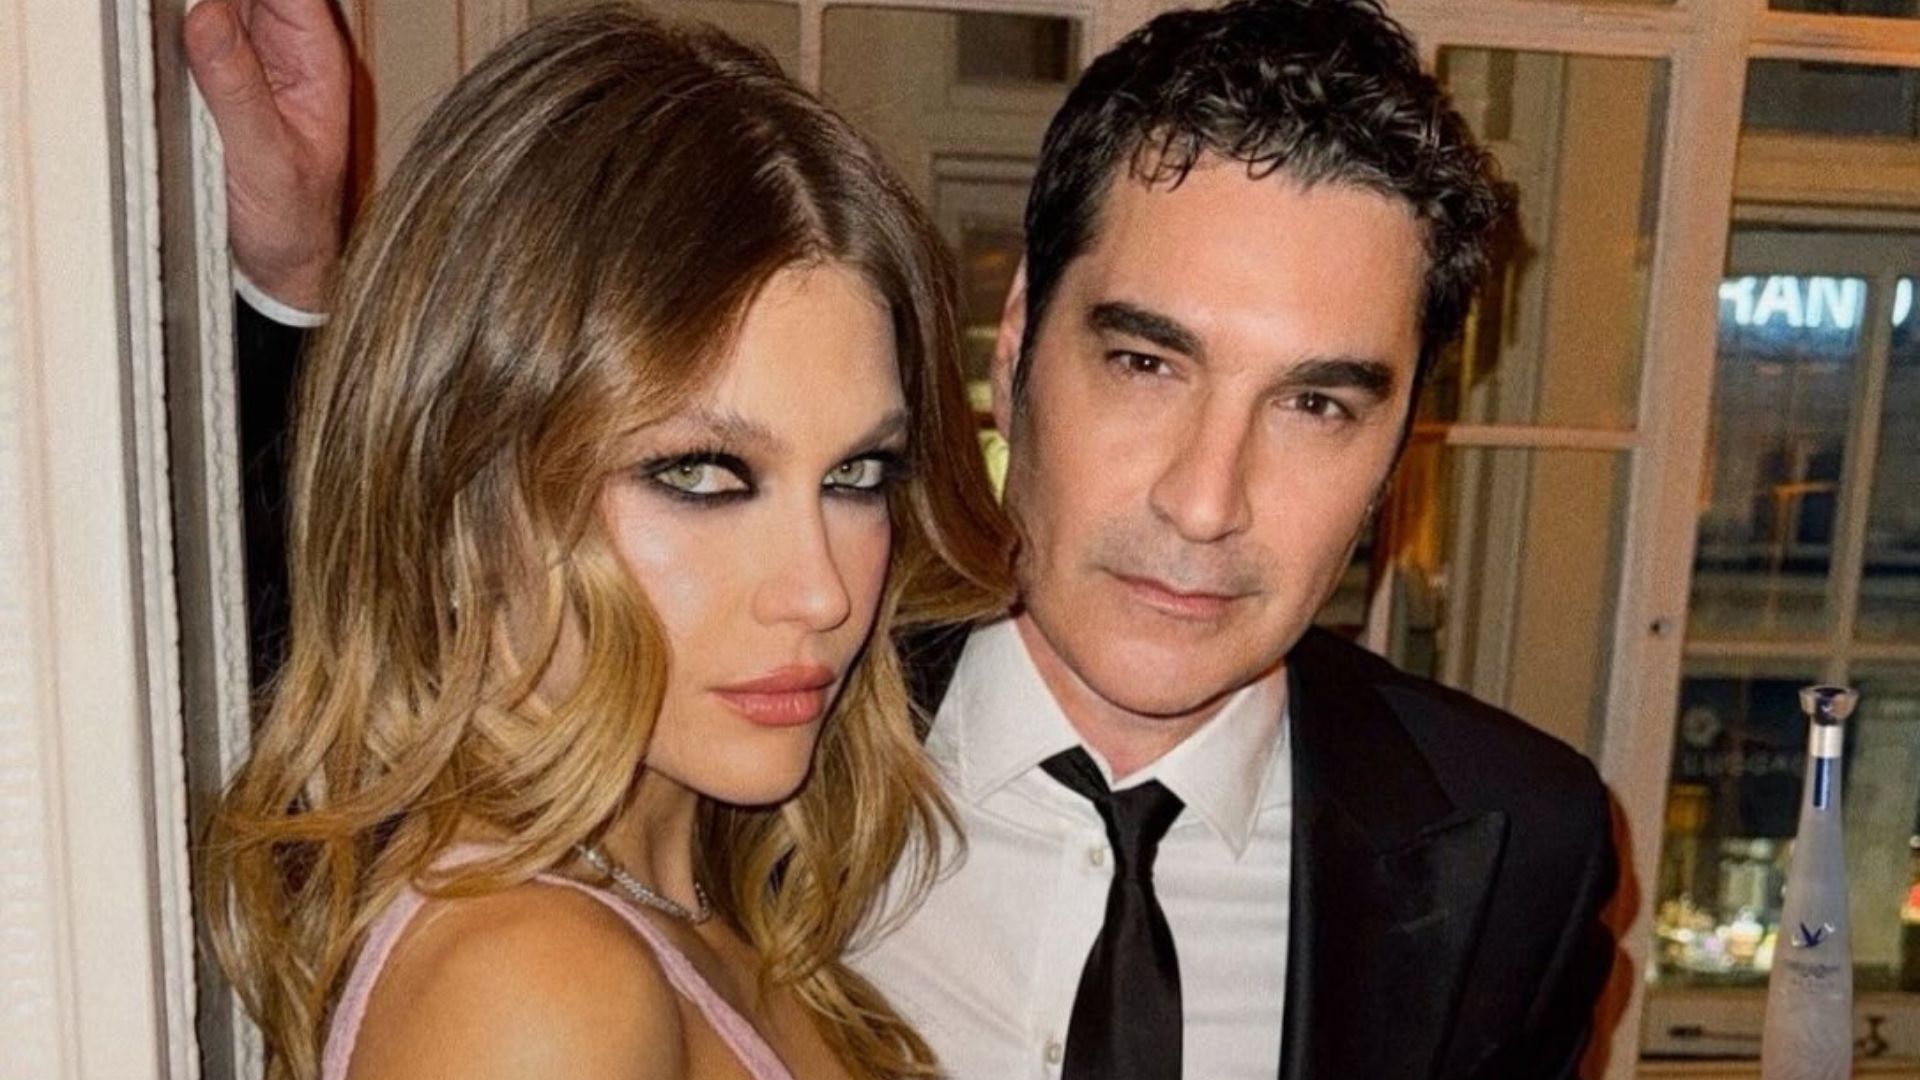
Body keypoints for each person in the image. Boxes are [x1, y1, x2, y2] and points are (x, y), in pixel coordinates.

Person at [193, 1, 1621, 1078]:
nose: (1206, 501)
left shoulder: (1521, 853)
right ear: (1016, 342)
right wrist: (294, 298)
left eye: (1315, 403)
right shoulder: (771, 708)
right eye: (1144, 362)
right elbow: (413, 623)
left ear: (1404, 439)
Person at [198, 7, 1014, 1080]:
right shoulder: (538, 989)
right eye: (701, 475)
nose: (820, 592)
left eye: (857, 475)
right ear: (465, 489)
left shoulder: (692, 897)